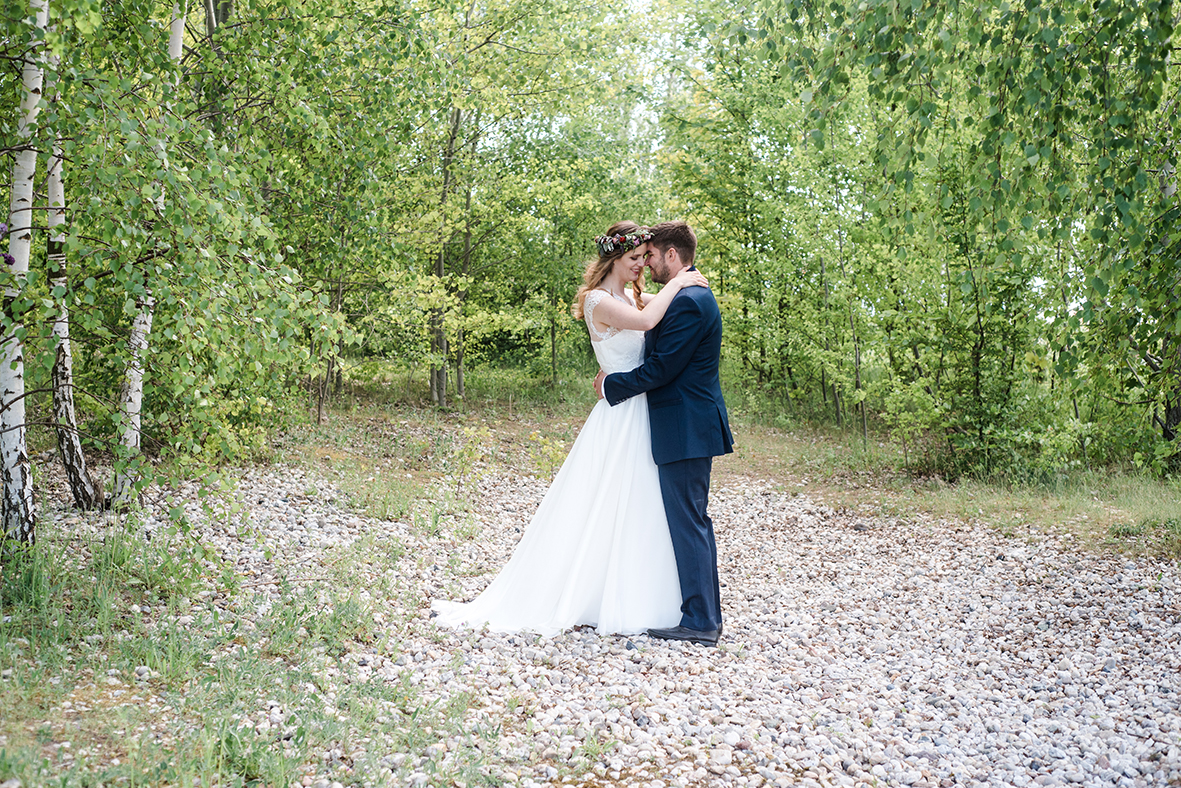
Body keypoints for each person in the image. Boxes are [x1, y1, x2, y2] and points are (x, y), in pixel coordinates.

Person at [430, 221, 709, 636]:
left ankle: (635, 595)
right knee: (602, 502)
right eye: (634, 259)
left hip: (642, 412)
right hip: (620, 414)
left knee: (637, 506)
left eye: (644, 258)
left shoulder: (627, 296)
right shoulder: (599, 300)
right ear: (615, 259)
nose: (640, 266)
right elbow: (649, 322)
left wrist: (682, 285)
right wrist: (683, 280)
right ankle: (583, 592)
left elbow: (655, 310)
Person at [596, 220, 733, 647]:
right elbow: (648, 312)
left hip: (687, 426)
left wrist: (610, 386)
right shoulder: (687, 295)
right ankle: (702, 614)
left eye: (650, 255)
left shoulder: (691, 300)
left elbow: (661, 369)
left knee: (690, 522)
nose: (646, 263)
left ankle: (701, 621)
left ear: (671, 255)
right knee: (692, 519)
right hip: (685, 425)